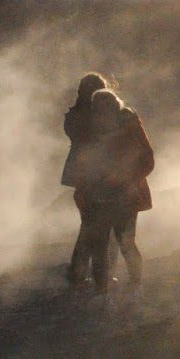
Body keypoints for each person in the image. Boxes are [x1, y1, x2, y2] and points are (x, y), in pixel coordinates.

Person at [68, 88, 154, 294]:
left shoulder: (127, 125)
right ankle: (105, 288)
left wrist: (124, 176)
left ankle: (127, 285)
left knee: (121, 243)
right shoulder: (92, 128)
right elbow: (84, 162)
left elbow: (146, 160)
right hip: (102, 193)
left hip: (122, 194)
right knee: (106, 244)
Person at [61, 73, 108, 286]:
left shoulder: (73, 117)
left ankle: (78, 273)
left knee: (88, 225)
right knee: (96, 226)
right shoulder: (97, 118)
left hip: (81, 179)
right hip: (96, 178)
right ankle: (88, 275)